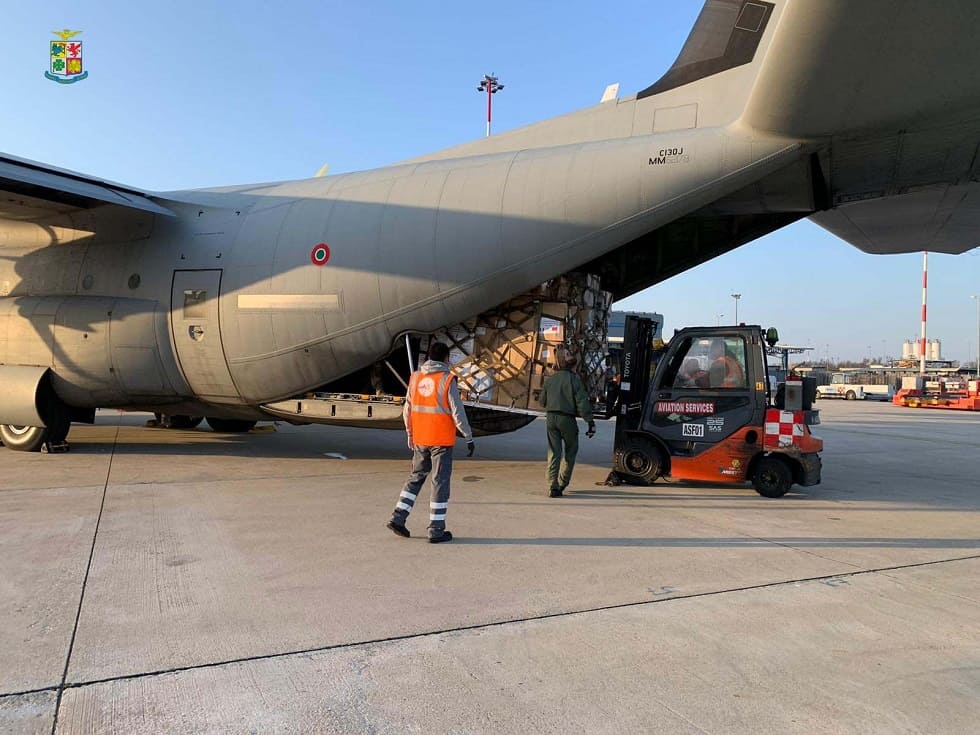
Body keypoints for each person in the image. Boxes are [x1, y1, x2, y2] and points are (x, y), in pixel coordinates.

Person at [386, 342, 474, 543]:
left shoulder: (416, 378)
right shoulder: (447, 379)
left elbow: (407, 409)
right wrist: (468, 436)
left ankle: (398, 517)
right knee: (439, 482)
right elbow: (457, 411)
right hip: (441, 440)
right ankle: (436, 529)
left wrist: (410, 434)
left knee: (416, 477)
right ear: (445, 359)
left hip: (421, 438)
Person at [539, 354, 596, 497]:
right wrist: (590, 422)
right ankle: (562, 483)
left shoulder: (550, 380)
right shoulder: (575, 381)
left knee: (554, 452)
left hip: (551, 418)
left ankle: (552, 485)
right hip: (567, 419)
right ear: (574, 366)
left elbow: (541, 401)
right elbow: (582, 404)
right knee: (570, 451)